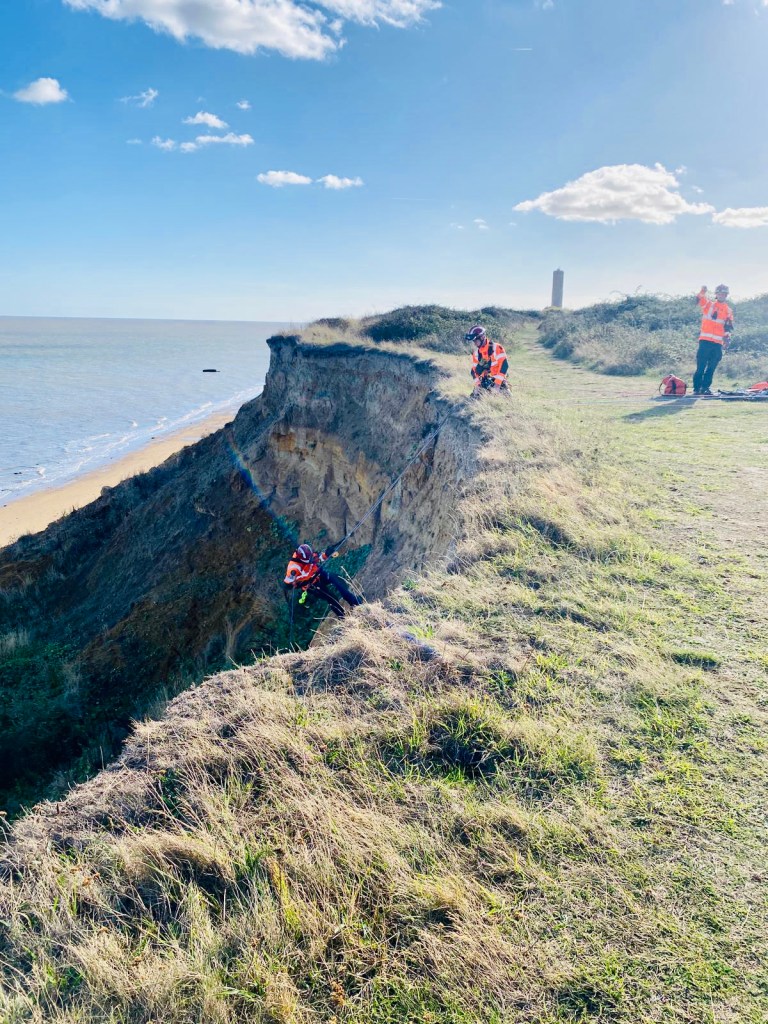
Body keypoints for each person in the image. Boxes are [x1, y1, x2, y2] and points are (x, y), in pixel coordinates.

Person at [283, 543, 362, 618]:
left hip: (319, 575)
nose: (311, 560)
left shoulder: (308, 556)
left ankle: (354, 602)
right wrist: (293, 582)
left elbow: (317, 558)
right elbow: (287, 584)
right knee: (331, 598)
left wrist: (327, 554)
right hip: (312, 585)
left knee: (336, 579)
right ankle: (344, 617)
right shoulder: (293, 568)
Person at [693, 284, 734, 395]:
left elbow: (728, 327)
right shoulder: (708, 305)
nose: (722, 295)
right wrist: (703, 291)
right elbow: (699, 299)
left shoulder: (728, 310)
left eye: (724, 294)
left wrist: (727, 337)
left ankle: (705, 388)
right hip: (705, 341)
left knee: (711, 368)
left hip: (717, 343)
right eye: (720, 293)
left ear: (726, 295)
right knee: (700, 367)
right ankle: (696, 389)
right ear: (716, 294)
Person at [466, 324, 509, 395]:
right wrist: (478, 385)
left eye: (476, 340)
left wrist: (497, 384)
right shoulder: (476, 354)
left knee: (507, 397)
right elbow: (473, 372)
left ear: (482, 337)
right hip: (484, 382)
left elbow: (504, 365)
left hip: (499, 382)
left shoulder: (497, 348)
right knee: (472, 400)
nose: (474, 343)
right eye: (473, 341)